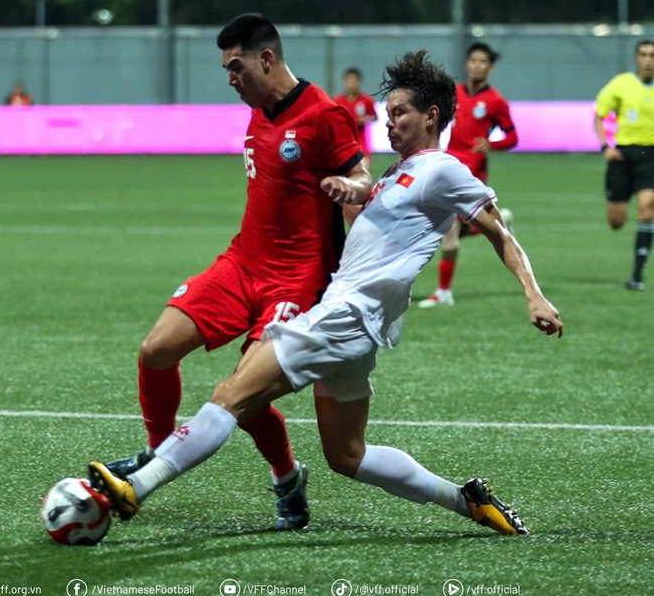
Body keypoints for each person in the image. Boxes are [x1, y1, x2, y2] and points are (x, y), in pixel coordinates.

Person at [90, 51, 563, 538]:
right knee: (347, 455)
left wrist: (535, 296)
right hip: (354, 325)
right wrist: (350, 194)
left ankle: (136, 487)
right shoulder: (397, 172)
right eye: (386, 115)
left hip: (345, 317)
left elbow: (498, 232)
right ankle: (467, 502)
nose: (388, 124)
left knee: (231, 394)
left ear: (432, 116)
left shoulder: (442, 170)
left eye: (399, 114)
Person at [102, 13, 371, 531]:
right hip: (242, 263)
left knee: (244, 396)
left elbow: (362, 175)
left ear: (265, 58)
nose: (229, 80)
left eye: (235, 67)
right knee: (155, 351)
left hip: (297, 280)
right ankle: (159, 452)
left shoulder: (324, 114)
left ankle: (288, 477)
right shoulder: (259, 108)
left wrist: (350, 188)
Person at [419, 42, 518, 308]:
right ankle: (500, 223)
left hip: (472, 172)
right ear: (467, 64)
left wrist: (492, 144)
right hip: (446, 165)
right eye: (473, 60)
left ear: (491, 67)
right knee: (447, 228)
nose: (477, 66)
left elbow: (513, 136)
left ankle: (443, 292)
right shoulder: (454, 93)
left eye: (482, 62)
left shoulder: (495, 101)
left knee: (448, 228)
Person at [594, 39, 654, 290]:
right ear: (636, 58)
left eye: (652, 55)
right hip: (624, 155)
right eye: (643, 54)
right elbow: (598, 116)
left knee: (647, 209)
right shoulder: (621, 83)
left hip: (650, 154)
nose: (648, 60)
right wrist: (606, 146)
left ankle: (637, 276)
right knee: (616, 221)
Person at [333, 68, 377, 159]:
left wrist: (366, 119)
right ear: (344, 82)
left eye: (354, 81)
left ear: (359, 82)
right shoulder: (337, 101)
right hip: (343, 144)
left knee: (364, 171)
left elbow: (375, 117)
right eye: (349, 81)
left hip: (361, 144)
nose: (351, 85)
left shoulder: (366, 100)